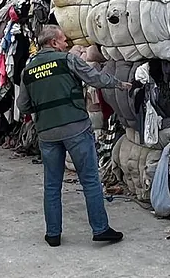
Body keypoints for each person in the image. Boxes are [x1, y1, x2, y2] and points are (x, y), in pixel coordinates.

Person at [16, 25, 131, 247]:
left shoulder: (27, 70)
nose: (67, 44)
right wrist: (119, 84)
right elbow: (94, 78)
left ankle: (53, 234)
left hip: (47, 133)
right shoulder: (66, 60)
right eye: (63, 40)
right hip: (75, 128)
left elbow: (23, 105)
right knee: (89, 179)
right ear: (53, 43)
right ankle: (100, 229)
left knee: (52, 184)